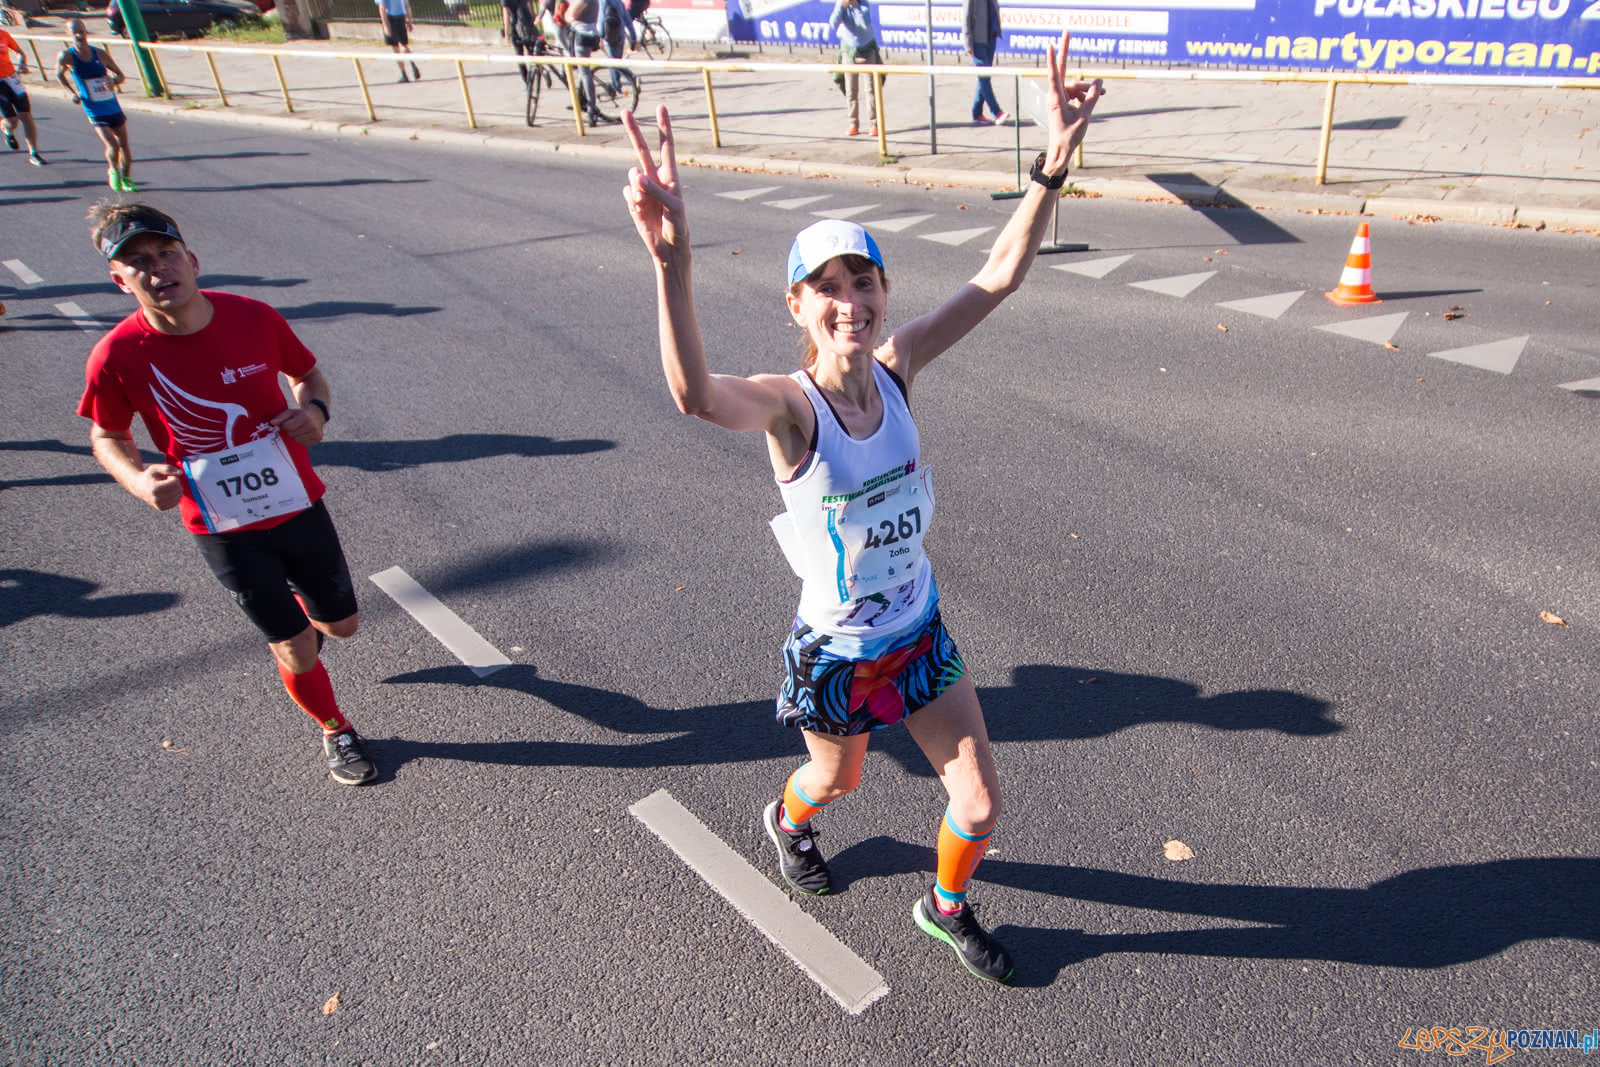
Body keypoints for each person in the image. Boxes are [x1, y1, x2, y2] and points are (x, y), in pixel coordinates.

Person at [620, 32, 1102, 984]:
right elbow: (693, 397)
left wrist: (1050, 163)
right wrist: (673, 264)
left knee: (978, 800)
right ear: (798, 307)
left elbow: (999, 275)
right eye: (828, 289)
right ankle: (788, 816)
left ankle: (946, 902)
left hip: (917, 630)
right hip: (838, 648)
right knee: (837, 779)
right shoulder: (791, 409)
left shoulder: (901, 364)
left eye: (864, 282)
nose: (851, 302)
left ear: (884, 292)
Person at [76, 202, 377, 787]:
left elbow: (309, 376)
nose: (157, 268)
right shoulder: (115, 355)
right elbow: (107, 434)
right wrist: (138, 480)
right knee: (292, 646)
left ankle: (301, 629)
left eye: (165, 253)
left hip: (296, 502)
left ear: (191, 260)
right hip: (221, 524)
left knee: (341, 627)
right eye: (138, 262)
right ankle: (335, 727)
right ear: (120, 280)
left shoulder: (253, 317)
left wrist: (315, 411)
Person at [56, 19, 133, 190]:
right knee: (112, 144)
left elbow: (120, 75)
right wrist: (72, 94)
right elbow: (59, 75)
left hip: (111, 104)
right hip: (93, 108)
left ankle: (126, 178)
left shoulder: (100, 54)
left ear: (86, 32)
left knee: (124, 144)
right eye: (75, 32)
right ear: (68, 34)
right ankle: (113, 169)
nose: (79, 35)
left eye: (82, 31)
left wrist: (114, 81)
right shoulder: (67, 56)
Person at [828, 0, 879, 138]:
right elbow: (833, 23)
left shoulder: (864, 4)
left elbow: (864, 23)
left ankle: (874, 125)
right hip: (848, 51)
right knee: (851, 91)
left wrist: (855, 5)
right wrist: (841, 6)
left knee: (871, 90)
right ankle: (853, 124)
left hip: (867, 50)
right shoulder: (841, 4)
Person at [0, 26, 47, 166]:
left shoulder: (3, 34)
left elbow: (20, 52)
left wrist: (22, 64)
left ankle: (34, 153)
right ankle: (7, 129)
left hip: (12, 79)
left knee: (26, 115)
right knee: (12, 121)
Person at [962, 0, 1007, 125]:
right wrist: (968, 45)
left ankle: (977, 113)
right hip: (977, 41)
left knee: (984, 77)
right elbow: (966, 18)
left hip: (990, 37)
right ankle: (997, 112)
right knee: (984, 76)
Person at [375, 0, 422, 83]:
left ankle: (404, 74)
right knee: (403, 44)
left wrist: (386, 26)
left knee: (396, 48)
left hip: (390, 17)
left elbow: (382, 7)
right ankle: (412, 63)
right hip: (401, 16)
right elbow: (407, 5)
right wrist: (409, 21)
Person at [599, 0, 636, 95]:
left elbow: (602, 18)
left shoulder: (604, 1)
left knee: (613, 63)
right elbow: (628, 20)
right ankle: (626, 80)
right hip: (620, 35)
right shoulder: (619, 2)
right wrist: (633, 36)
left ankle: (618, 86)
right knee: (618, 61)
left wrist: (601, 36)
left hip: (609, 34)